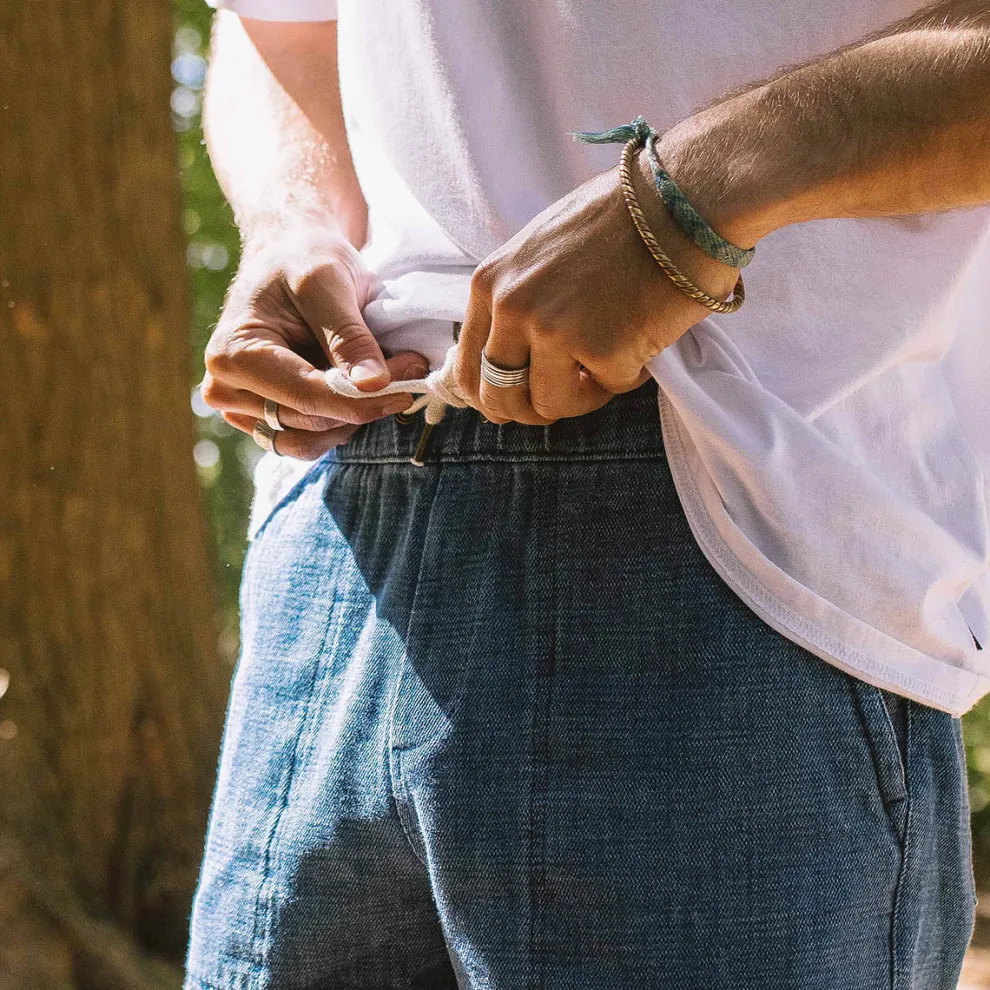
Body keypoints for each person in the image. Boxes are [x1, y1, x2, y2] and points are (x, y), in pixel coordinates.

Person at [184, 0, 990, 986]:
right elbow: (282, 24)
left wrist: (689, 196)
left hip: (733, 548)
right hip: (337, 529)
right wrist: (291, 218)